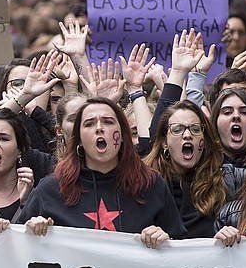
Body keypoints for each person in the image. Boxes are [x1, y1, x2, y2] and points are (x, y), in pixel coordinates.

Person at [18, 97, 184, 247]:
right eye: (89, 124)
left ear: (123, 134)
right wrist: (31, 231)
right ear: (79, 139)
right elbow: (15, 244)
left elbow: (183, 250)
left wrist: (166, 240)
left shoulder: (151, 184)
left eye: (108, 122)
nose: (99, 128)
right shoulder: (52, 188)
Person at [143, 101, 230, 237]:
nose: (188, 135)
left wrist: (227, 233)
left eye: (195, 129)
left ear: (204, 140)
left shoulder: (222, 183)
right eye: (177, 129)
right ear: (165, 142)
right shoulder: (146, 186)